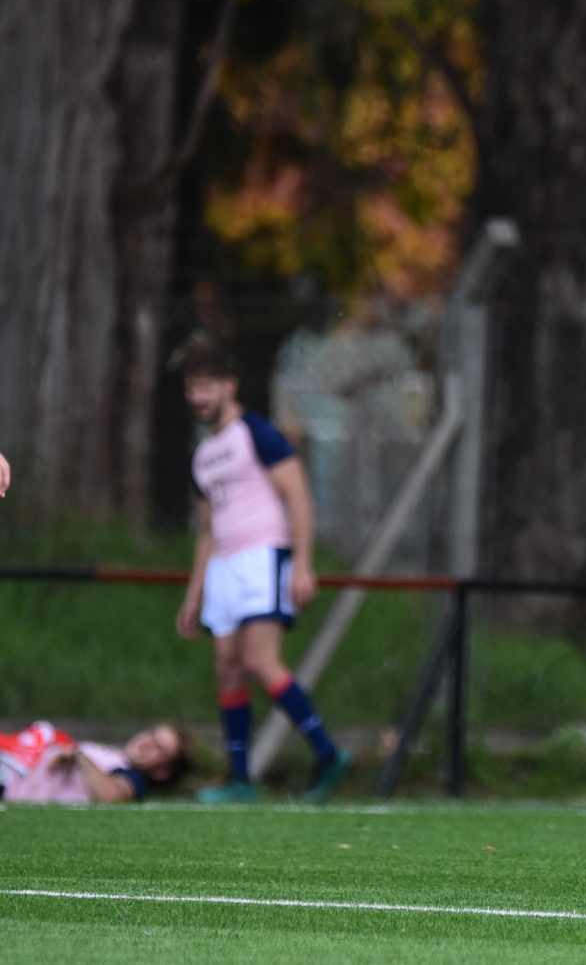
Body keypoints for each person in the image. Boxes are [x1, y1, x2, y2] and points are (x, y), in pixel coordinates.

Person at [171, 333, 352, 803]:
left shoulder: (257, 434)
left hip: (262, 556)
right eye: (193, 387)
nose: (199, 396)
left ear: (230, 385)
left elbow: (298, 495)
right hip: (224, 567)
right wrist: (193, 597)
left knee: (258, 660)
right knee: (226, 668)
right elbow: (207, 531)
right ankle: (240, 780)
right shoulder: (203, 456)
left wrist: (302, 564)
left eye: (208, 385)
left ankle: (328, 753)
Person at [0, 720, 190, 803]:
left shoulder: (131, 775)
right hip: (12, 759)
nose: (149, 742)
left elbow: (109, 795)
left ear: (162, 772)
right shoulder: (113, 755)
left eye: (160, 748)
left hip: (11, 781)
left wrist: (78, 754)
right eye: (152, 734)